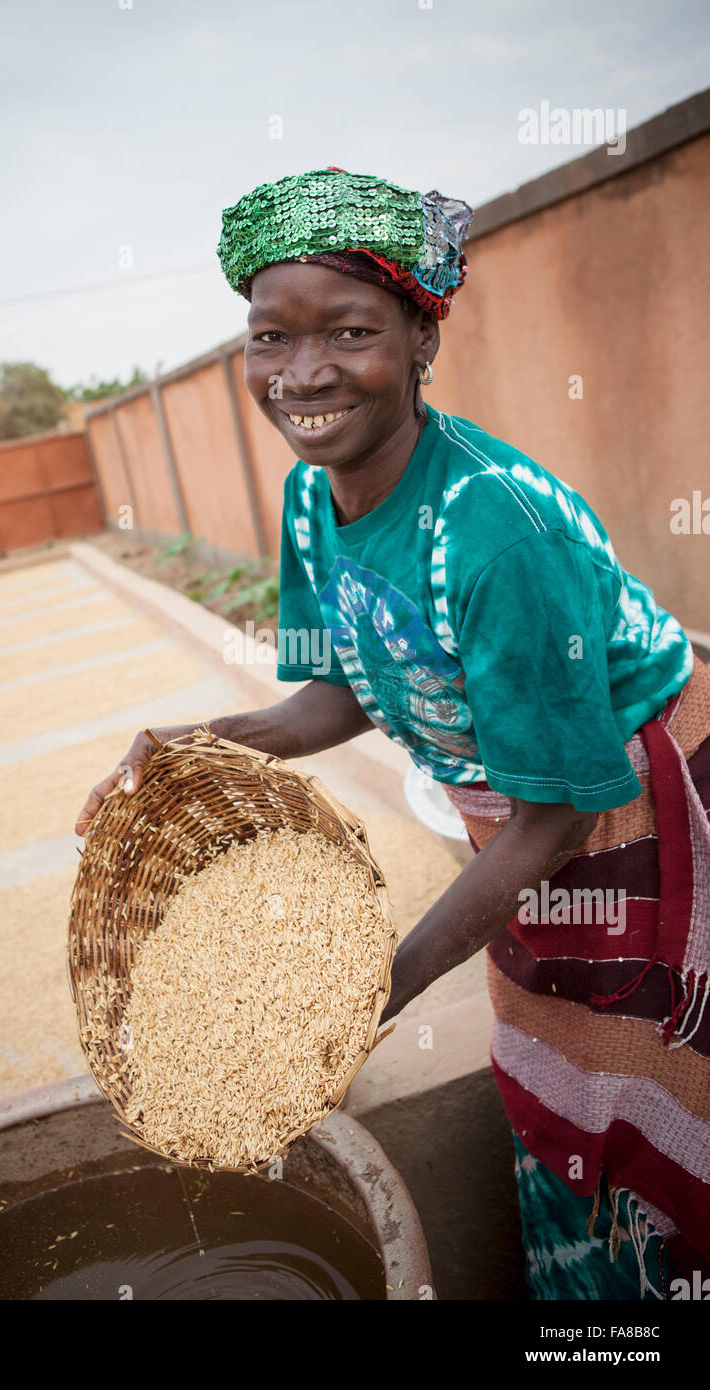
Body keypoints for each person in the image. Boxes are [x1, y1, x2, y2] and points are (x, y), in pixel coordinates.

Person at [75, 167, 710, 1300]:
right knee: (547, 1066)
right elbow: (334, 696)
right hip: (521, 812)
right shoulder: (313, 499)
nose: (303, 373)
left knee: (643, 1085)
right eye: (270, 337)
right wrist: (204, 741)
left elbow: (560, 809)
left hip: (628, 805)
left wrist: (376, 986)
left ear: (421, 338)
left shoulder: (494, 535)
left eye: (351, 331)